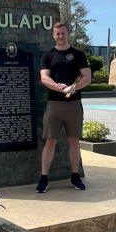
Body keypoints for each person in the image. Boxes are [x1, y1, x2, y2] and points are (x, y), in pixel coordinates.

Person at [36, 22, 92, 193]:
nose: (60, 36)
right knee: (50, 142)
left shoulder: (78, 54)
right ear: (53, 35)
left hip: (74, 105)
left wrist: (74, 87)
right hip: (54, 105)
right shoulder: (48, 55)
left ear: (68, 34)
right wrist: (59, 87)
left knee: (74, 142)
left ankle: (75, 176)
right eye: (57, 33)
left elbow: (87, 77)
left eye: (63, 33)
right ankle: (43, 178)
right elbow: (44, 78)